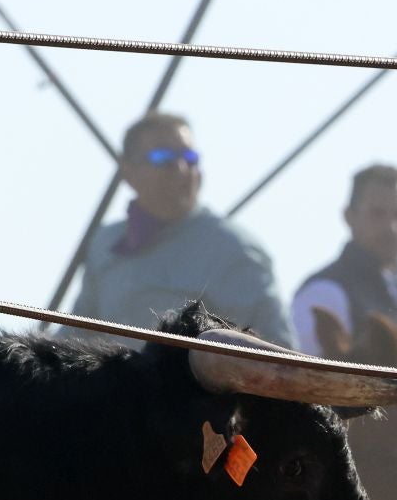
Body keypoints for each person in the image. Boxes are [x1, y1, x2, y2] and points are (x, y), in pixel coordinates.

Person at [70, 112, 293, 344]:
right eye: (163, 158)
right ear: (128, 172)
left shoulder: (235, 251)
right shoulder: (106, 243)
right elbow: (75, 338)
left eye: (190, 157)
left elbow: (279, 355)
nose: (181, 169)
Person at [290, 163, 397, 353]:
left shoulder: (395, 293)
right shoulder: (325, 293)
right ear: (349, 216)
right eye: (377, 214)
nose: (392, 227)